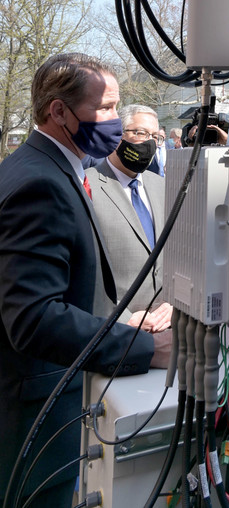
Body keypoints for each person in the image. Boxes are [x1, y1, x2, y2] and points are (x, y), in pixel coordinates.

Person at [0, 53, 171, 506]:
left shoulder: (45, 170)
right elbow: (33, 317)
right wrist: (146, 348)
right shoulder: (42, 183)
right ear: (58, 111)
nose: (117, 121)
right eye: (108, 108)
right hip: (35, 420)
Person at [85, 105, 172, 335]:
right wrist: (122, 319)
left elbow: (178, 256)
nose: (149, 143)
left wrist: (175, 305)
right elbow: (84, 270)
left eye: (156, 137)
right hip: (115, 332)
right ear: (118, 135)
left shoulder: (162, 186)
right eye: (141, 133)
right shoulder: (87, 186)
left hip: (167, 328)